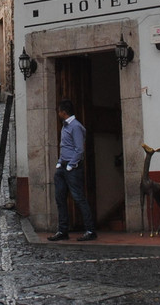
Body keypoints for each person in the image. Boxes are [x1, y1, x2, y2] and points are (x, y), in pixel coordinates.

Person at [47, 99, 96, 242]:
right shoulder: (65, 126)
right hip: (62, 166)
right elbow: (65, 146)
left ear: (63, 112)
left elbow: (79, 149)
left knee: (79, 197)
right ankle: (63, 230)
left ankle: (90, 230)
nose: (58, 113)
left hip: (72, 168)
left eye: (59, 110)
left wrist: (71, 165)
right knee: (60, 198)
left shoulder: (76, 127)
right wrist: (60, 163)